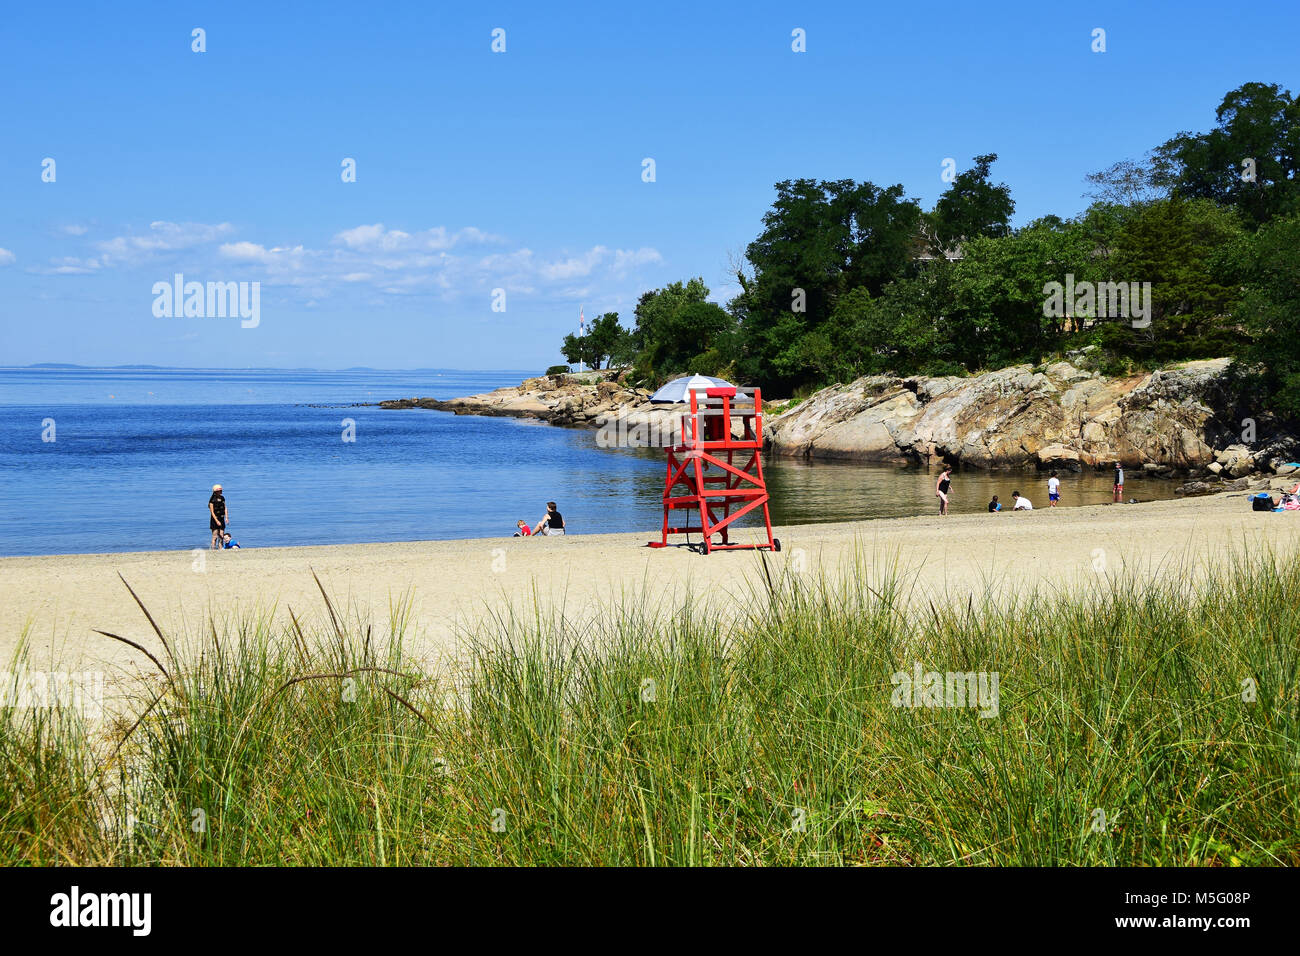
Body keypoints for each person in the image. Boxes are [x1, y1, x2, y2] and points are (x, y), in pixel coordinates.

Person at [208, 484, 227, 549]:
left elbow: (225, 508)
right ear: (216, 491)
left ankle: (220, 549)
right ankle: (213, 549)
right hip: (214, 519)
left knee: (221, 536)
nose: (221, 491)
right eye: (219, 490)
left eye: (221, 490)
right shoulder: (212, 500)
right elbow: (212, 512)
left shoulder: (222, 498)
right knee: (215, 536)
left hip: (221, 518)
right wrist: (216, 521)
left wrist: (226, 517)